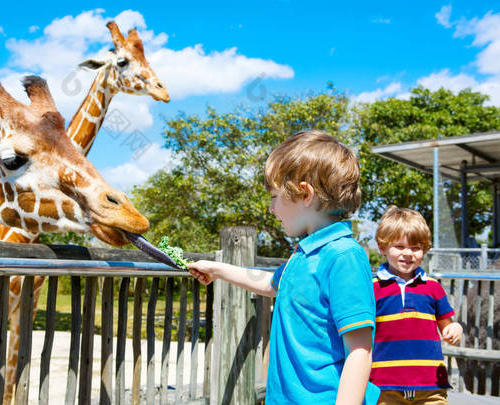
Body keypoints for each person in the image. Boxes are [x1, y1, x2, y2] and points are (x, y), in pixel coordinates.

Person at [188, 130, 380, 404]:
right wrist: (217, 269)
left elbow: (359, 350)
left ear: (305, 194)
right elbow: (270, 284)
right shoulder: (303, 254)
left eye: (275, 197)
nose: (271, 208)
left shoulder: (343, 255)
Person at [371, 206, 463, 404]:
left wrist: (455, 328)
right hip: (385, 386)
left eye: (415, 248)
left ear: (425, 250)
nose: (408, 253)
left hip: (431, 385)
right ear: (382, 247)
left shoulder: (433, 287)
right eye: (399, 246)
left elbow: (446, 324)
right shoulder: (372, 288)